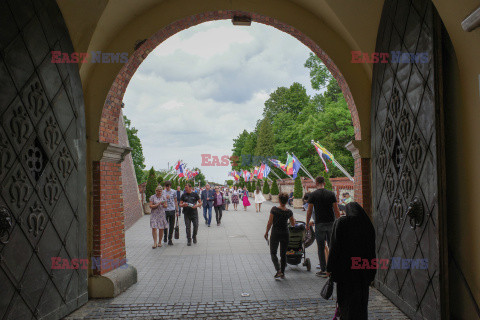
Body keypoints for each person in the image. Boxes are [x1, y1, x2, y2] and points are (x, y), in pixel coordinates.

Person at [327, 202, 376, 320]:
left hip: (345, 273)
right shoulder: (367, 225)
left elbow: (334, 248)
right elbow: (371, 251)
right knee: (361, 304)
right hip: (362, 272)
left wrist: (329, 268)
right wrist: (372, 272)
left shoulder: (342, 223)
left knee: (346, 303)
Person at [306, 176, 340, 277]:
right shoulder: (331, 194)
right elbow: (336, 209)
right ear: (324, 183)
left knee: (320, 247)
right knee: (331, 246)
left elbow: (309, 211)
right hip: (331, 223)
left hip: (319, 224)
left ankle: (323, 269)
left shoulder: (313, 195)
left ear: (316, 183)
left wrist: (307, 223)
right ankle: (332, 268)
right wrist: (338, 222)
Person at [264, 192, 296, 279]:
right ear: (286, 201)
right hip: (285, 233)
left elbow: (270, 222)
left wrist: (266, 232)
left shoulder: (274, 210)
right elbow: (293, 224)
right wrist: (293, 221)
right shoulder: (289, 212)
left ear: (279, 200)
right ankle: (282, 272)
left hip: (275, 233)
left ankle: (278, 270)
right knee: (283, 254)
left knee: (273, 252)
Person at [162, 181, 179, 245]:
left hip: (172, 210)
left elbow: (175, 201)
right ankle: (165, 236)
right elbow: (161, 201)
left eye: (168, 186)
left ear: (170, 186)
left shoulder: (173, 192)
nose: (167, 187)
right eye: (166, 186)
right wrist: (165, 199)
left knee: (172, 225)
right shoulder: (163, 192)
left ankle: (170, 239)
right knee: (165, 225)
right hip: (165, 210)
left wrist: (177, 211)